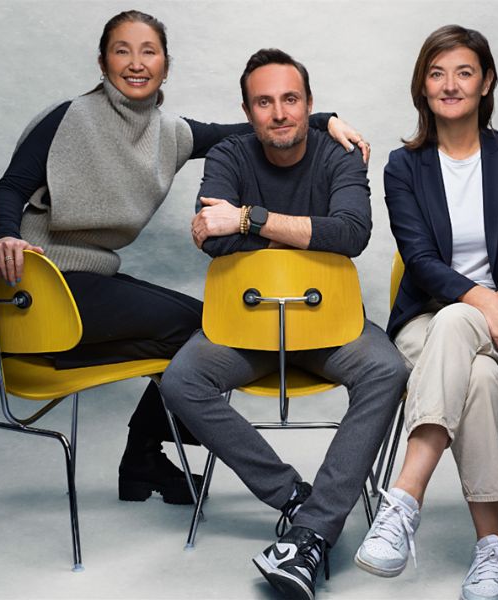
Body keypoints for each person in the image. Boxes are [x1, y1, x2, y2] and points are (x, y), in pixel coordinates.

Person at [0, 10, 368, 507]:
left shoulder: (170, 133)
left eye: (149, 51)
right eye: (122, 50)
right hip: (42, 279)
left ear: (166, 66)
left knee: (194, 329)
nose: (136, 62)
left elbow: (256, 125)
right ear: (102, 62)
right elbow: (11, 187)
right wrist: (6, 235)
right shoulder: (68, 118)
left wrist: (321, 120)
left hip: (89, 278)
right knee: (201, 327)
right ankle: (125, 432)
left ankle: (140, 457)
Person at [159, 48, 408, 600]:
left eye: (290, 99)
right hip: (245, 329)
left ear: (309, 104)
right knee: (181, 381)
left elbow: (351, 233)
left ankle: (312, 533)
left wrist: (249, 219)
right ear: (247, 111)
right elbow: (213, 239)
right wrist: (304, 235)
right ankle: (297, 500)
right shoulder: (227, 153)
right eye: (264, 102)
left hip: (328, 327)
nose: (279, 113)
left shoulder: (339, 153)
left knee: (387, 369)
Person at [353, 25, 498, 600]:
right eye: (436, 73)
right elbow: (420, 262)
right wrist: (483, 300)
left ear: (486, 82)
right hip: (429, 325)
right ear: (422, 85)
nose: (450, 84)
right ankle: (493, 548)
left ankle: (404, 500)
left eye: (464, 72)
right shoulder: (404, 166)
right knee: (475, 369)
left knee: (469, 340)